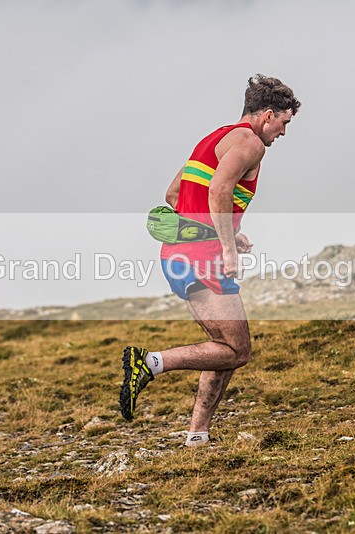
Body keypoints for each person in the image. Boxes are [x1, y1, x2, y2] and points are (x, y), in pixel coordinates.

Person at [119, 74, 301, 447]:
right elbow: (219, 189)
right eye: (284, 122)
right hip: (202, 260)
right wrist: (227, 248)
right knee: (238, 350)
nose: (283, 133)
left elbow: (174, 195)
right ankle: (149, 363)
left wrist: (226, 233)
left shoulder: (215, 137)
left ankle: (197, 436)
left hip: (180, 254)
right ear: (268, 115)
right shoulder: (250, 143)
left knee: (224, 349)